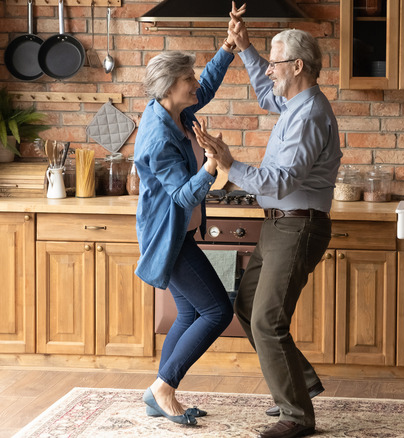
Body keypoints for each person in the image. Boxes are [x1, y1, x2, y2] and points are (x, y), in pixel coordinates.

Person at [194, 11, 342, 438]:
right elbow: (265, 90)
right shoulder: (294, 101)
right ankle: (302, 382)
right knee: (246, 306)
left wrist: (228, 162)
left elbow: (282, 181)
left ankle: (297, 415)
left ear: (297, 66)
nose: (270, 71)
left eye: (276, 64)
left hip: (298, 226)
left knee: (266, 321)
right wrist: (244, 46)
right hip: (281, 224)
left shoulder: (310, 114)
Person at [134, 3, 246, 427]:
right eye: (188, 80)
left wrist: (228, 47)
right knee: (217, 311)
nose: (195, 85)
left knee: (189, 313)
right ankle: (164, 388)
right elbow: (181, 196)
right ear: (168, 87)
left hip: (181, 233)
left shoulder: (176, 111)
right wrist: (212, 166)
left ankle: (158, 391)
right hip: (169, 236)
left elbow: (208, 87)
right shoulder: (157, 138)